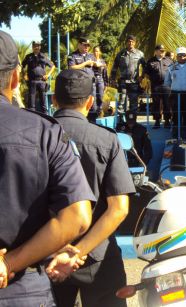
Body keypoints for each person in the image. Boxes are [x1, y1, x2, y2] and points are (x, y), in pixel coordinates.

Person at [0, 30, 94, 306]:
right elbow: (77, 216)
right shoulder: (44, 132)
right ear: (16, 78)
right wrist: (10, 262)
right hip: (21, 289)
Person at [50, 69, 136, 307]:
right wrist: (78, 252)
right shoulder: (107, 140)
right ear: (90, 101)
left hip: (44, 259)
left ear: (54, 100)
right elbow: (118, 209)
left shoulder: (36, 137)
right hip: (98, 256)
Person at [110, 35, 145, 116]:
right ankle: (121, 121)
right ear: (126, 42)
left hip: (134, 82)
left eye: (132, 41)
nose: (130, 43)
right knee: (121, 102)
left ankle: (133, 122)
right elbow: (114, 67)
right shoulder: (121, 54)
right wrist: (112, 79)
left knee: (134, 103)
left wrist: (142, 76)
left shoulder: (140, 54)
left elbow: (145, 66)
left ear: (135, 43)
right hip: (123, 82)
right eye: (129, 41)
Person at [144, 44, 173, 128]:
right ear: (156, 51)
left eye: (163, 51)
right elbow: (146, 73)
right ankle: (157, 121)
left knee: (167, 104)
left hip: (167, 85)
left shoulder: (169, 60)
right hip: (156, 85)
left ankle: (167, 121)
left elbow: (174, 71)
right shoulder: (150, 61)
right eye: (161, 51)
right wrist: (152, 79)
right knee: (156, 104)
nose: (162, 52)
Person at [22, 40, 55, 113]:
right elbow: (22, 66)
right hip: (32, 81)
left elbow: (53, 66)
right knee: (31, 103)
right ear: (32, 47)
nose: (36, 47)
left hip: (41, 81)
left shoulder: (43, 56)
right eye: (35, 46)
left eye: (38, 46)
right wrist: (24, 74)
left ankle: (46, 117)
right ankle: (31, 118)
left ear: (40, 47)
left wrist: (48, 75)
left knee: (43, 102)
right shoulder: (28, 56)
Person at [92, 46, 108, 117]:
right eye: (95, 51)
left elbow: (105, 73)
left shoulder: (102, 61)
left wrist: (106, 84)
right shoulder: (91, 61)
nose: (96, 52)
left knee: (100, 96)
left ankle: (100, 112)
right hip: (92, 80)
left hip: (100, 80)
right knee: (93, 96)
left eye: (97, 51)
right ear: (93, 52)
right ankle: (94, 112)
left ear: (100, 52)